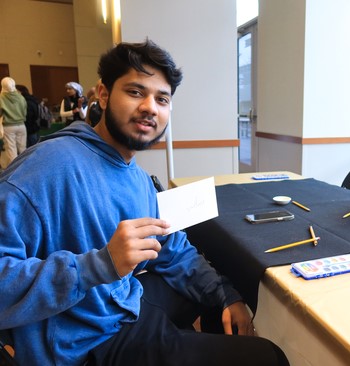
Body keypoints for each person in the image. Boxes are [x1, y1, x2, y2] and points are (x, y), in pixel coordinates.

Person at [0, 40, 288, 366]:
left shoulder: (136, 177)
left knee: (208, 297)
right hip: (84, 344)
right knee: (268, 357)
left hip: (121, 306)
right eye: (136, 92)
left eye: (161, 99)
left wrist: (226, 296)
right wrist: (97, 265)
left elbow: (173, 248)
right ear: (104, 95)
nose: (150, 106)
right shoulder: (48, 166)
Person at [0, 77, 27, 169]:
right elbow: (24, 111)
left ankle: (14, 171)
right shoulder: (20, 97)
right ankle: (25, 168)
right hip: (22, 125)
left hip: (8, 126)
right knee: (23, 148)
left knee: (11, 149)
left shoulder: (1, 97)